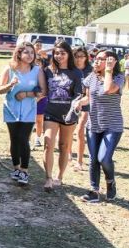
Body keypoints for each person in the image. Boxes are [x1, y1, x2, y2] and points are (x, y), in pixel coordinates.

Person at [77, 50, 126, 203]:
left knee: (104, 158)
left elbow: (108, 89)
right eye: (95, 59)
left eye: (101, 59)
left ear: (111, 61)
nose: (96, 62)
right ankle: (94, 191)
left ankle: (110, 182)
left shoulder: (118, 77)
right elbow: (88, 97)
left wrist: (109, 70)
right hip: (94, 124)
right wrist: (79, 102)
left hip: (113, 125)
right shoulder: (91, 78)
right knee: (93, 160)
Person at [0, 42, 47, 186]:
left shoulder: (37, 70)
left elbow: (43, 92)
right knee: (14, 139)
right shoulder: (9, 69)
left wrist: (27, 94)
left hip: (29, 110)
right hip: (10, 109)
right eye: (26, 52)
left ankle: (24, 171)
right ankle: (16, 168)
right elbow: (0, 90)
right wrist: (11, 85)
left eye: (32, 53)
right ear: (19, 53)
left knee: (23, 139)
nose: (30, 55)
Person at [42, 41, 83, 192]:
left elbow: (79, 93)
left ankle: (60, 176)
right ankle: (48, 177)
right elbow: (43, 90)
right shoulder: (48, 70)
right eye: (56, 53)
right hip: (50, 112)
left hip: (68, 115)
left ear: (68, 54)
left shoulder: (76, 73)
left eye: (62, 53)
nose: (59, 56)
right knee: (48, 143)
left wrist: (77, 103)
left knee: (64, 146)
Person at [72, 46, 93, 171]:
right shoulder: (71, 69)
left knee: (80, 130)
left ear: (86, 57)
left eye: (82, 56)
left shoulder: (91, 70)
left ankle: (79, 161)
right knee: (69, 130)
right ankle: (69, 155)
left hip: (86, 102)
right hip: (71, 102)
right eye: (76, 56)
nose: (79, 59)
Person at [32, 40, 49, 148]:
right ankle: (26, 141)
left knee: (39, 119)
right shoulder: (28, 72)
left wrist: (39, 98)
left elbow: (46, 89)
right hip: (29, 98)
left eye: (40, 63)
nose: (37, 65)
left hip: (41, 99)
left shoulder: (45, 73)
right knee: (29, 121)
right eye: (36, 63)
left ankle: (37, 139)